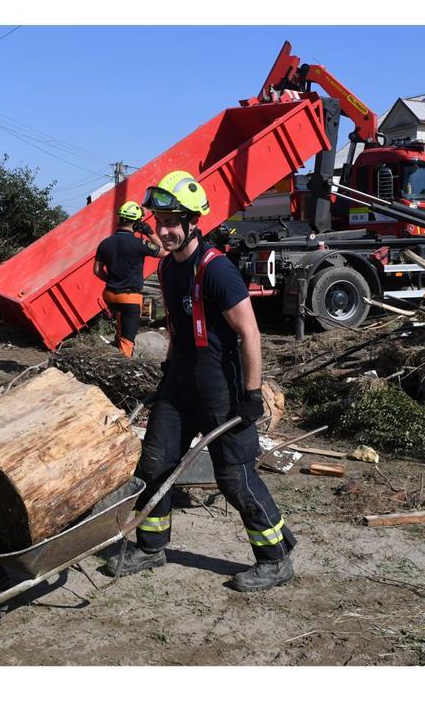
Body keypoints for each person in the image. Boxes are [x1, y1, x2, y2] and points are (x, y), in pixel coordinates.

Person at [104, 171, 296, 592]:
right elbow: (178, 326)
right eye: (160, 221)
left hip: (221, 388)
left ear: (194, 222)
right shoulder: (168, 269)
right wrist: (170, 368)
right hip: (181, 383)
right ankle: (152, 547)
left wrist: (250, 395)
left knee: (234, 476)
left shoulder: (217, 270)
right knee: (155, 462)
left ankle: (276, 558)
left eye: (174, 222)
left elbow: (249, 333)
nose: (166, 230)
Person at [93, 200, 165, 357]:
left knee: (121, 323)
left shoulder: (105, 243)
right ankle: (123, 362)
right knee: (127, 340)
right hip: (130, 298)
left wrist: (113, 280)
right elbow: (165, 251)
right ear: (137, 223)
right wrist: (150, 232)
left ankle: (118, 341)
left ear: (120, 220)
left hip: (110, 295)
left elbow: (97, 271)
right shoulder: (140, 243)